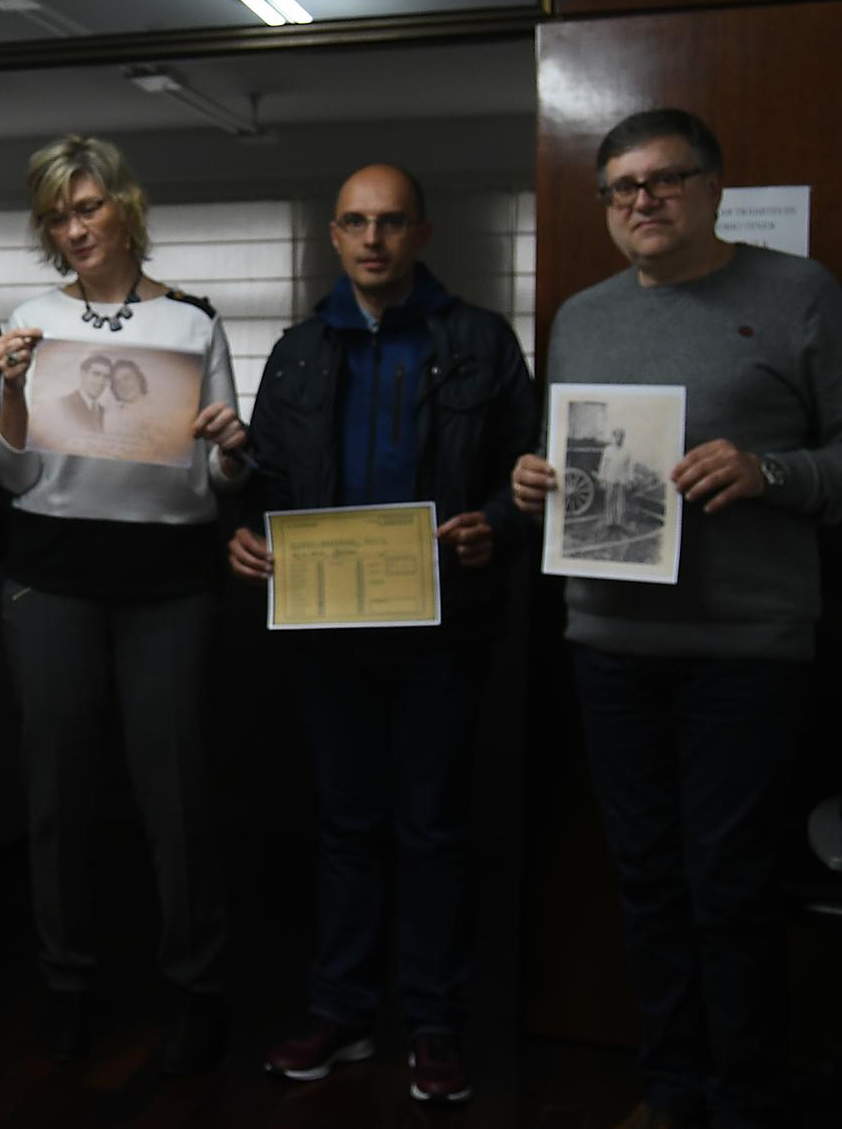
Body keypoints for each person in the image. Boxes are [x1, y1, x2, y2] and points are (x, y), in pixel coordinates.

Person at [511, 109, 842, 1129]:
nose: (642, 200)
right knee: (642, 882)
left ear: (713, 188)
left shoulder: (794, 294)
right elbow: (571, 463)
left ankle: (741, 1101)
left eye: (664, 179)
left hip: (745, 650)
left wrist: (767, 471)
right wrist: (531, 480)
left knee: (728, 887)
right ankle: (671, 1089)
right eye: (620, 187)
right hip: (606, 643)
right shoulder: (581, 316)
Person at [227, 163, 538, 1103]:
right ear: (334, 235)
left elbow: (527, 472)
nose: (373, 239)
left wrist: (498, 524)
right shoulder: (297, 349)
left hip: (442, 627)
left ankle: (436, 1021)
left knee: (435, 827)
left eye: (392, 222)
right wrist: (245, 534)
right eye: (357, 223)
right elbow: (268, 480)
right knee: (347, 826)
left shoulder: (481, 341)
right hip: (328, 632)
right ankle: (343, 1009)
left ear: (422, 234)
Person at [0, 135, 248, 1075]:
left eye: (89, 207)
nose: (75, 227)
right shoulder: (31, 318)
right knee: (55, 788)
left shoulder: (191, 323)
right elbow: (12, 471)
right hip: (51, 571)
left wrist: (230, 441)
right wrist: (14, 391)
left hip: (168, 580)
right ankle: (65, 983)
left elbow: (221, 478)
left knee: (175, 790)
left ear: (125, 209)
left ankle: (197, 987)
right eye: (58, 215)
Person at [54, 353, 114, 433]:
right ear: (83, 374)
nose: (101, 382)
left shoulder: (103, 411)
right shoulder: (62, 405)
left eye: (106, 377)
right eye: (96, 374)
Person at [598, 425, 634, 532]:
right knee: (609, 499)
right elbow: (603, 465)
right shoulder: (608, 450)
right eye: (617, 436)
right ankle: (609, 521)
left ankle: (619, 521)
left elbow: (630, 467)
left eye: (621, 436)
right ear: (614, 437)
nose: (619, 439)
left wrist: (630, 480)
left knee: (621, 501)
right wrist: (602, 478)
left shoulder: (627, 451)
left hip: (622, 480)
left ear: (623, 438)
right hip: (610, 478)